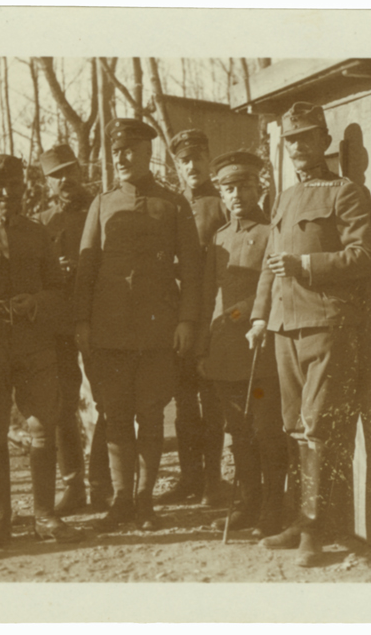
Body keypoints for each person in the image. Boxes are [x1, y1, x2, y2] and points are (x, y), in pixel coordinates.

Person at [246, 102, 371, 567]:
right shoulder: (284, 198)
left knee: (320, 427)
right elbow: (270, 264)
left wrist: (305, 265)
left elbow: (364, 257)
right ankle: (299, 520)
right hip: (283, 328)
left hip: (326, 324)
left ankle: (315, 531)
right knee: (294, 428)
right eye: (291, 139)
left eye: (306, 137)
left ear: (324, 140)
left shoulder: (347, 193)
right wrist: (259, 317)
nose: (298, 146)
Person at [74, 118, 202, 532]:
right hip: (109, 331)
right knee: (115, 415)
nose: (122, 158)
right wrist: (82, 322)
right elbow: (86, 268)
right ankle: (121, 502)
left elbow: (193, 270)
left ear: (149, 153)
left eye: (130, 150)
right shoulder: (102, 204)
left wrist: (186, 320)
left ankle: (144, 502)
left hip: (157, 331)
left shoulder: (174, 204)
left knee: (150, 414)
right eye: (117, 151)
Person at [0, 153, 81, 545]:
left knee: (42, 428)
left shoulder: (37, 233)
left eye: (14, 184)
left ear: (24, 187)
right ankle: (1, 520)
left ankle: (45, 516)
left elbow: (57, 288)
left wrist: (35, 302)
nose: (6, 192)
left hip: (35, 344)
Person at [198, 151, 288, 537]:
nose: (236, 195)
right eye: (229, 188)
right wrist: (204, 346)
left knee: (266, 432)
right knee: (238, 432)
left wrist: (242, 312)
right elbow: (208, 296)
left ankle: (273, 510)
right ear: (221, 192)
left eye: (244, 186)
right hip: (225, 354)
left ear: (259, 187)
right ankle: (248, 506)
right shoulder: (219, 237)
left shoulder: (273, 232)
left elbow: (277, 286)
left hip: (261, 354)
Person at [35, 144, 112, 516]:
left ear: (81, 171)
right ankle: (74, 486)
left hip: (100, 319)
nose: (64, 180)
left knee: (108, 400)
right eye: (55, 175)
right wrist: (54, 271)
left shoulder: (103, 210)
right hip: (58, 326)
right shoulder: (40, 223)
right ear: (47, 182)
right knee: (63, 404)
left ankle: (102, 484)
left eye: (69, 171)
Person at [161, 129, 227, 506]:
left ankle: (213, 482)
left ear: (208, 159)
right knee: (184, 402)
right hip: (176, 317)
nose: (192, 166)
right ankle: (190, 478)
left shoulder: (222, 204)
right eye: (184, 161)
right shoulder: (170, 204)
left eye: (197, 158)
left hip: (212, 316)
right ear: (176, 166)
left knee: (212, 402)